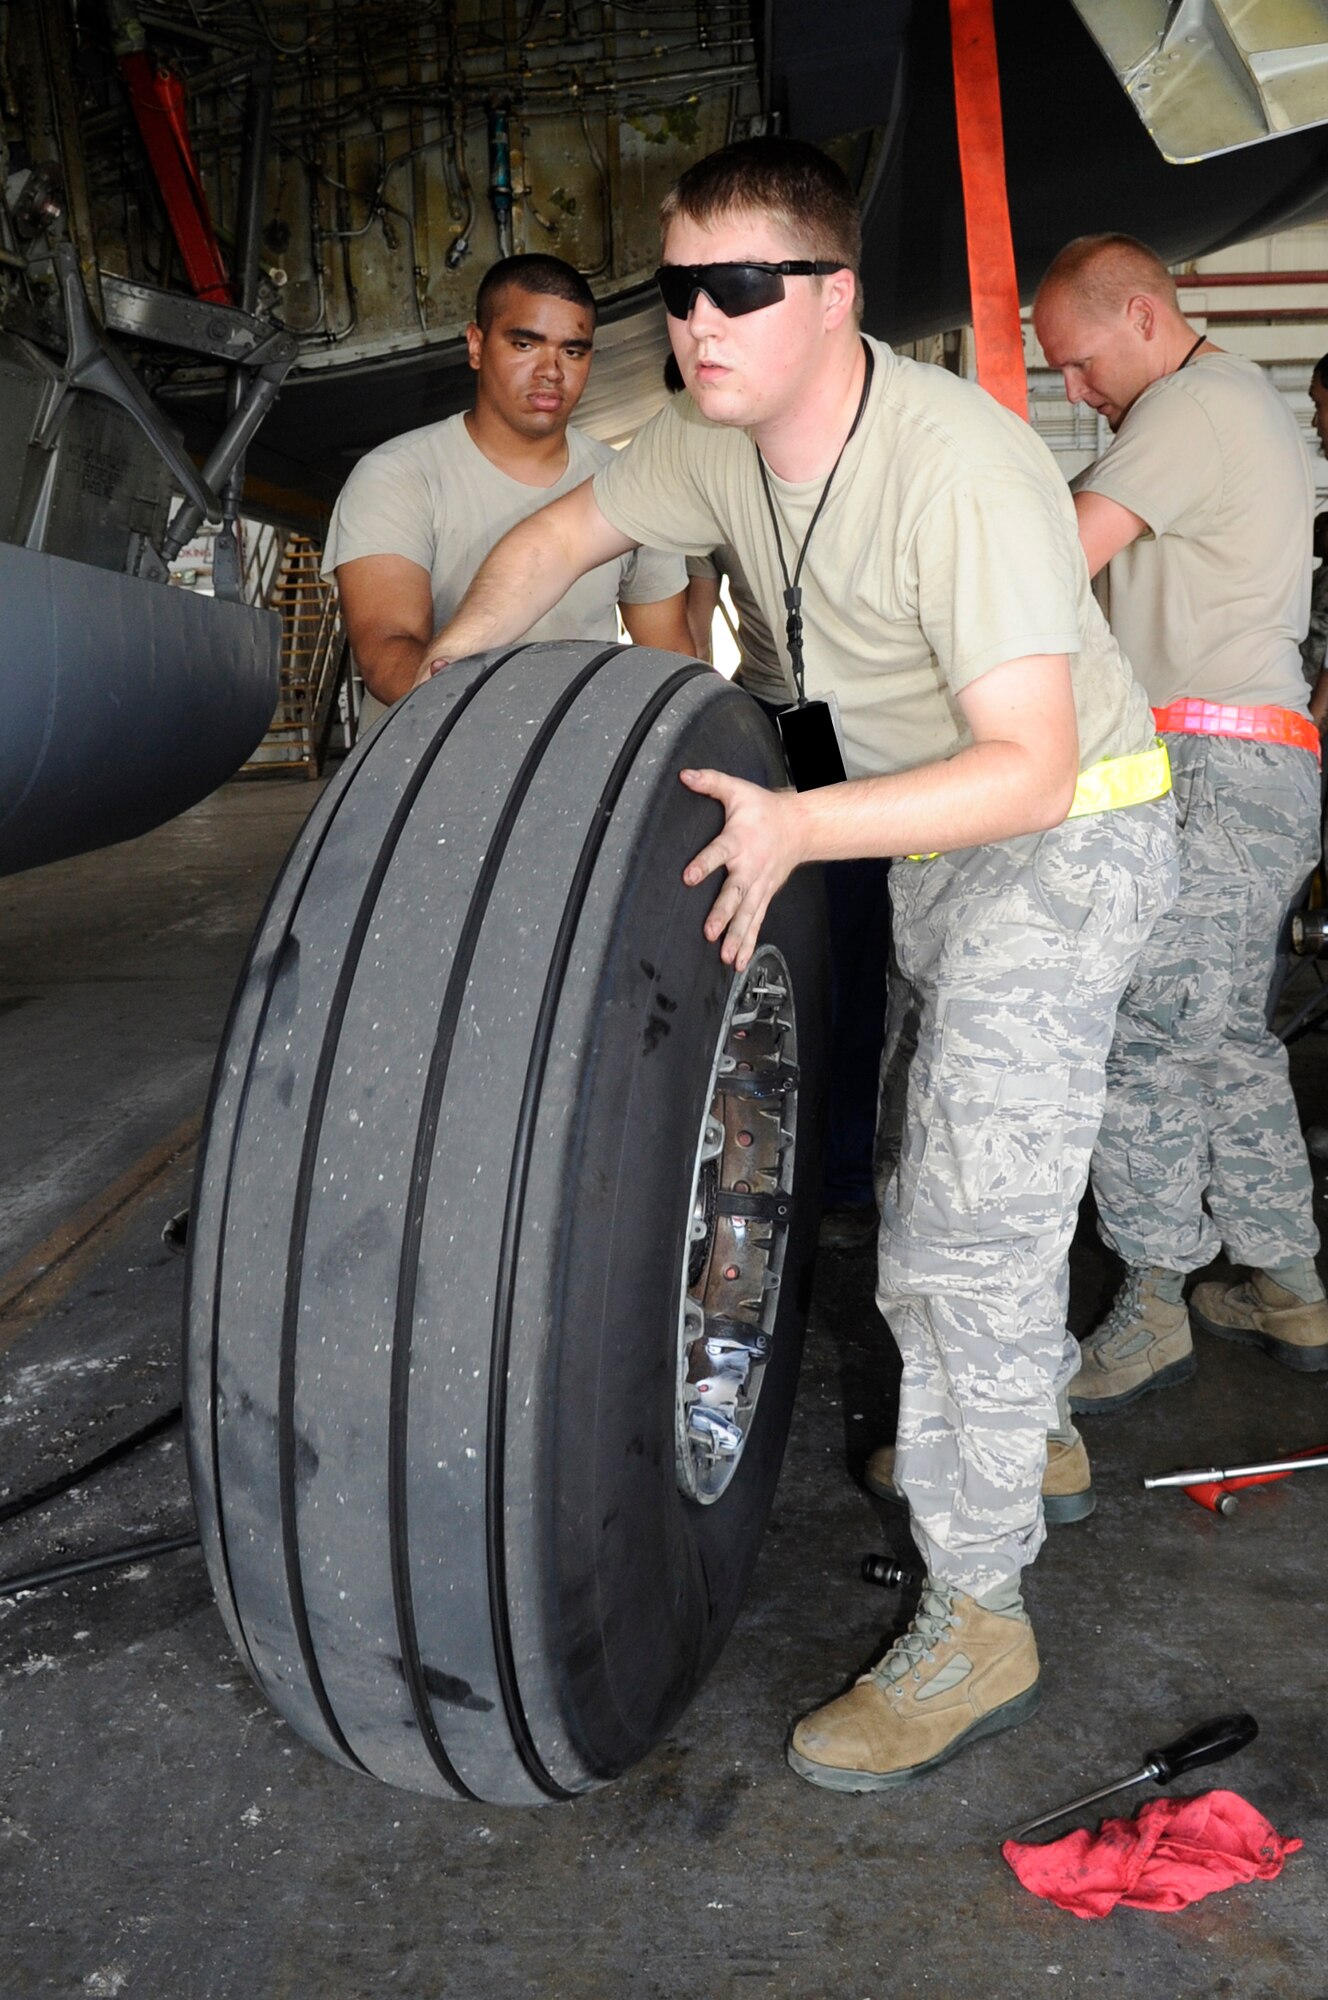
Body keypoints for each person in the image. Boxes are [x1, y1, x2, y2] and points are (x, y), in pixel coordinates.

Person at [413, 138, 1178, 1792]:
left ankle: (980, 1615)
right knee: (943, 1168)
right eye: (679, 289)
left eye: (738, 288)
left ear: (831, 300)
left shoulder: (956, 468)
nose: (696, 321)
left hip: (1058, 836)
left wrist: (791, 828)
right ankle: (1019, 1415)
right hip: (920, 839)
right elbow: (555, 545)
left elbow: (1030, 766)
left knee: (956, 1233)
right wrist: (442, 697)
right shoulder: (717, 441)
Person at [1033, 235, 1328, 1415]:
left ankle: (1152, 1301)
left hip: (1205, 761)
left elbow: (1051, 555)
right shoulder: (1233, 400)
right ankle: (1289, 1282)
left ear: (1143, 316)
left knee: (1141, 1034)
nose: (1073, 387)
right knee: (1219, 1036)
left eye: (1077, 359)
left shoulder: (1190, 406)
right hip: (1242, 761)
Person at [322, 253, 690, 728]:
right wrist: (510, 724)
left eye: (573, 351)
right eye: (524, 344)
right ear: (476, 346)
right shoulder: (397, 476)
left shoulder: (628, 483)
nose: (551, 371)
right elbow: (386, 653)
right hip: (425, 764)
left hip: (575, 762)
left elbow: (667, 657)